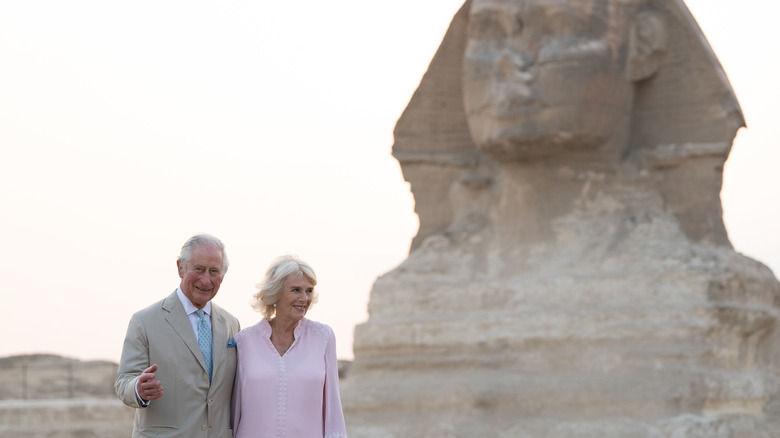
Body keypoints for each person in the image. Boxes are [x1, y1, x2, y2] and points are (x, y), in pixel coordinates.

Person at [115, 233, 241, 438]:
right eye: (199, 269)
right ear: (180, 268)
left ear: (223, 275)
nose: (206, 279)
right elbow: (124, 382)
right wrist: (137, 388)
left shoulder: (231, 324)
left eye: (214, 271)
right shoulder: (144, 321)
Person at [231, 255, 347, 438]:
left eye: (309, 291)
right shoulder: (244, 341)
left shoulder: (323, 337)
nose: (304, 298)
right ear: (275, 293)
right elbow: (234, 411)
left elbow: (333, 409)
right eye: (296, 290)